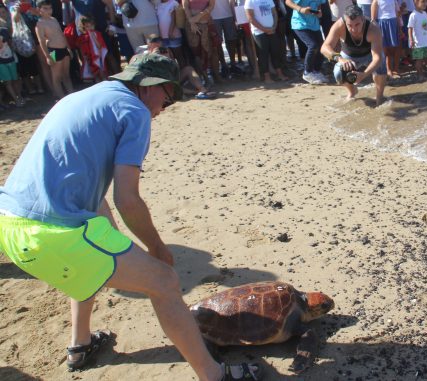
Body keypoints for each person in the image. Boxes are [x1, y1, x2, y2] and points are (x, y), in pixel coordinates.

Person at [0, 53, 259, 381]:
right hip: (49, 234)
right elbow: (127, 199)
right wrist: (157, 250)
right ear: (152, 87)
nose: (161, 112)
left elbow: (95, 201)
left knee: (92, 245)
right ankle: (214, 375)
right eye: (167, 101)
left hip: (9, 223)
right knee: (164, 283)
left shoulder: (81, 97)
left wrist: (120, 245)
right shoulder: (134, 111)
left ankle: (80, 345)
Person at [321, 4, 387, 104]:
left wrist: (364, 74)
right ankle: (352, 91)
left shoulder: (373, 28)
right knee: (338, 72)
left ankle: (379, 96)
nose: (353, 29)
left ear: (363, 20)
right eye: (350, 25)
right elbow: (324, 48)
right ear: (345, 22)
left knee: (381, 65)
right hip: (349, 56)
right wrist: (340, 59)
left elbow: (377, 58)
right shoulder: (339, 25)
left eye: (357, 25)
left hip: (370, 55)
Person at [35, 0, 74, 99]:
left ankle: (72, 95)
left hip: (64, 49)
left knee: (66, 75)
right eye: (45, 8)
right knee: (56, 77)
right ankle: (61, 98)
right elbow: (42, 42)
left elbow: (62, 35)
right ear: (39, 10)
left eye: (50, 8)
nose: (49, 10)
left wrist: (68, 48)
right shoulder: (40, 24)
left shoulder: (54, 20)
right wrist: (47, 56)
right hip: (53, 50)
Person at [245, 0, 289, 83]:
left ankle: (279, 74)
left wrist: (274, 26)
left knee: (275, 52)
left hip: (272, 30)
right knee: (263, 54)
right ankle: (266, 77)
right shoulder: (249, 1)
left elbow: (274, 13)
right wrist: (264, 29)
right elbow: (250, 18)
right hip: (259, 32)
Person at [286, 0, 328, 84]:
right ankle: (307, 72)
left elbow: (319, 4)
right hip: (300, 24)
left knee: (322, 47)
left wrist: (319, 12)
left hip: (314, 25)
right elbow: (288, 1)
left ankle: (316, 71)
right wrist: (300, 9)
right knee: (313, 45)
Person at [372, 0, 401, 77]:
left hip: (393, 23)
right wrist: (375, 31)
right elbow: (373, 19)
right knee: (385, 50)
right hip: (382, 25)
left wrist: (399, 27)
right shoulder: (376, 1)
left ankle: (395, 69)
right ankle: (388, 70)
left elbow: (397, 14)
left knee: (393, 49)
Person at [76, 15, 108, 82]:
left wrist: (93, 36)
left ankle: (105, 84)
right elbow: (82, 48)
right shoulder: (82, 37)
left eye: (91, 25)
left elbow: (100, 46)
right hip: (90, 57)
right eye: (87, 26)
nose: (90, 28)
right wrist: (84, 57)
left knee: (101, 72)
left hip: (98, 57)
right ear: (83, 26)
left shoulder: (97, 34)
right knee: (95, 74)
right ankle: (98, 85)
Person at [0, 22, 25, 107]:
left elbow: (11, 43)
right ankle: (16, 99)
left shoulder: (4, 30)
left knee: (15, 79)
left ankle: (20, 97)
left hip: (10, 58)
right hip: (1, 62)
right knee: (8, 81)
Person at [407, 0, 427, 80]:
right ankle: (419, 75)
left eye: (426, 2)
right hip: (417, 42)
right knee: (419, 60)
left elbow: (425, 26)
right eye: (423, 2)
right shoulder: (413, 15)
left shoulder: (425, 13)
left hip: (424, 41)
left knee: (422, 59)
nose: (425, 3)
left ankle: (421, 73)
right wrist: (411, 40)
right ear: (415, 2)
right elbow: (410, 28)